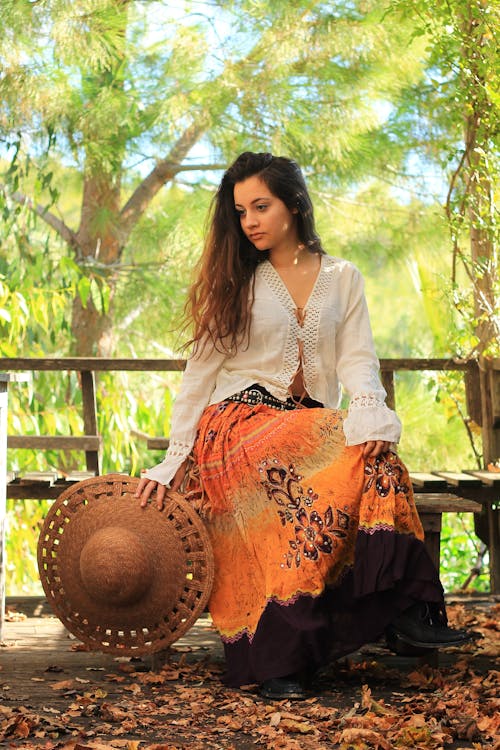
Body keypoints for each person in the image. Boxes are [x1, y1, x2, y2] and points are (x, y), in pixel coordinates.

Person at [136, 151, 473, 700]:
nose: (249, 220)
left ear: (293, 203)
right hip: (237, 426)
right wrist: (176, 457)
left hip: (306, 426)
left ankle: (387, 610)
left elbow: (359, 360)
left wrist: (368, 411)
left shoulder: (343, 278)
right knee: (293, 474)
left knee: (377, 455)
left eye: (260, 206)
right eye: (241, 209)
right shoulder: (237, 280)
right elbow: (198, 376)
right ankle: (371, 616)